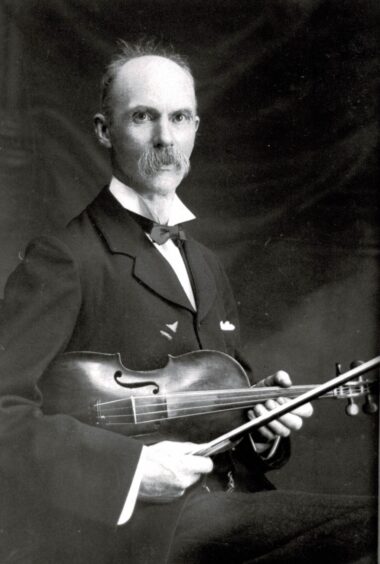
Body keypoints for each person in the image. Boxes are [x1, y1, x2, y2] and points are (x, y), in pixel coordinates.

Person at [0, 40, 376, 564]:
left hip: (232, 507)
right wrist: (131, 472)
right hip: (148, 533)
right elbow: (4, 413)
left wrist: (262, 432)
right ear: (104, 131)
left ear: (196, 128)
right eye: (143, 117)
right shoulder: (65, 258)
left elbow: (221, 418)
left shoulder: (204, 263)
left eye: (180, 117)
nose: (165, 137)